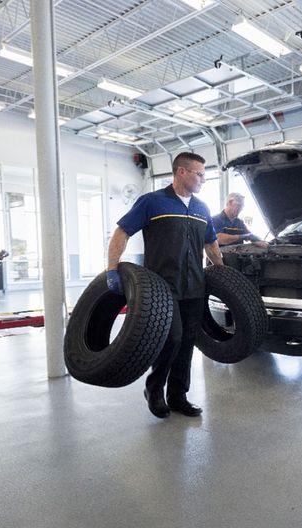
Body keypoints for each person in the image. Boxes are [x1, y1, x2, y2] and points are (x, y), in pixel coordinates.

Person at [105, 152, 223, 419]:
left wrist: (224, 275)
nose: (203, 179)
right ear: (182, 172)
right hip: (161, 288)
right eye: (199, 173)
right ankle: (154, 390)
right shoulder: (152, 202)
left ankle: (178, 396)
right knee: (172, 339)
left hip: (195, 286)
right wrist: (112, 268)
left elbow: (211, 244)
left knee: (188, 342)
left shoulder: (202, 208)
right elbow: (122, 232)